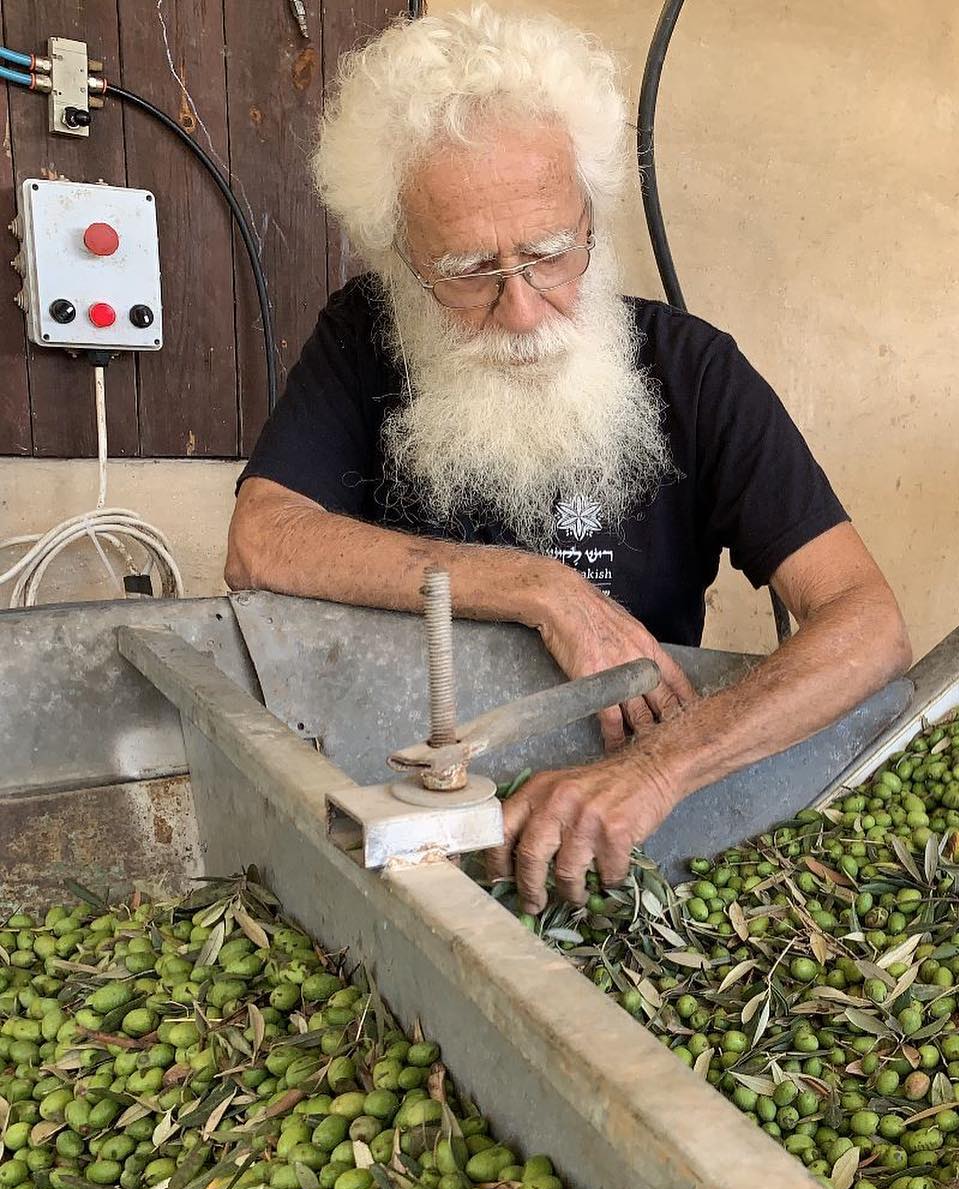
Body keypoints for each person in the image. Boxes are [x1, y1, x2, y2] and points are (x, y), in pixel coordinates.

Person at [225, 2, 910, 913]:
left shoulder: (694, 372)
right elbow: (262, 541)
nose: (522, 310)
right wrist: (543, 590)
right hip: (397, 816)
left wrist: (662, 768)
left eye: (551, 254)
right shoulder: (364, 339)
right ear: (402, 256)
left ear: (592, 212)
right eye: (468, 271)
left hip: (627, 836)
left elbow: (868, 624)